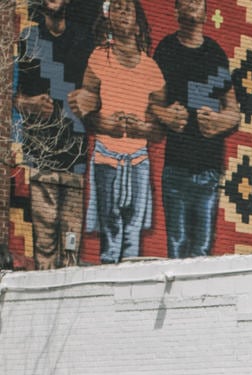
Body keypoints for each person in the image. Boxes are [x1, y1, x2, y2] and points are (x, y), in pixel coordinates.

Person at [151, 0, 239, 259]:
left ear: (205, 12)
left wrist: (218, 122)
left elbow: (233, 112)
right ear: (175, 10)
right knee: (176, 246)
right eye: (186, 1)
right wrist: (166, 115)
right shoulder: (166, 50)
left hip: (209, 169)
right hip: (176, 166)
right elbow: (151, 103)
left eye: (198, 1)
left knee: (201, 250)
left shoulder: (215, 54)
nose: (192, 5)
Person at [14, 0, 96, 270]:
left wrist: (91, 98)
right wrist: (30, 104)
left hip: (75, 154)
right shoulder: (29, 38)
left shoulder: (83, 39)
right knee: (45, 244)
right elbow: (13, 96)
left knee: (71, 244)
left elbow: (99, 90)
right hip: (41, 153)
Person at [81, 0, 163, 263]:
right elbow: (86, 110)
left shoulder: (151, 69)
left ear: (139, 27)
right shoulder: (98, 57)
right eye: (117, 7)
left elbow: (160, 125)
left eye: (129, 7)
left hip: (138, 161)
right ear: (108, 20)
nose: (124, 11)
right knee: (111, 233)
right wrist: (105, 124)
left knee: (132, 236)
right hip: (106, 158)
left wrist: (144, 128)